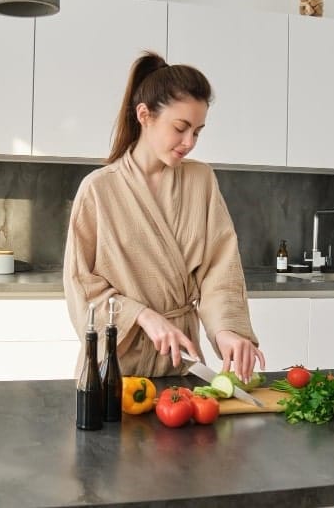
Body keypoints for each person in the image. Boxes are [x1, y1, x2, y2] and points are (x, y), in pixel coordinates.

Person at [63, 51, 265, 382]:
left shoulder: (201, 181)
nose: (189, 143)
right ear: (145, 115)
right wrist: (141, 315)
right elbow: (81, 285)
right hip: (115, 369)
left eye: (198, 131)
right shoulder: (99, 189)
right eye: (181, 128)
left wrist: (226, 331)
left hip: (180, 365)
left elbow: (219, 271)